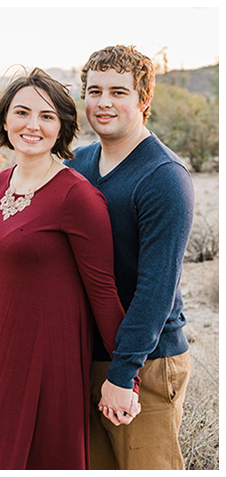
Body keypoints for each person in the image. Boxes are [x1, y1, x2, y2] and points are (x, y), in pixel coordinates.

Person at [0, 68, 140, 469]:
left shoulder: (77, 196)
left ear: (61, 129)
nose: (32, 126)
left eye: (46, 117)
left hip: (48, 362)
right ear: (4, 119)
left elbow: (103, 291)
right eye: (22, 112)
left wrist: (127, 376)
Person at [66, 45, 194, 470]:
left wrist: (124, 374)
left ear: (144, 100)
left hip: (146, 362)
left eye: (118, 92)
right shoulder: (79, 164)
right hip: (89, 354)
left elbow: (156, 288)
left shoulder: (163, 177)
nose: (104, 103)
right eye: (94, 90)